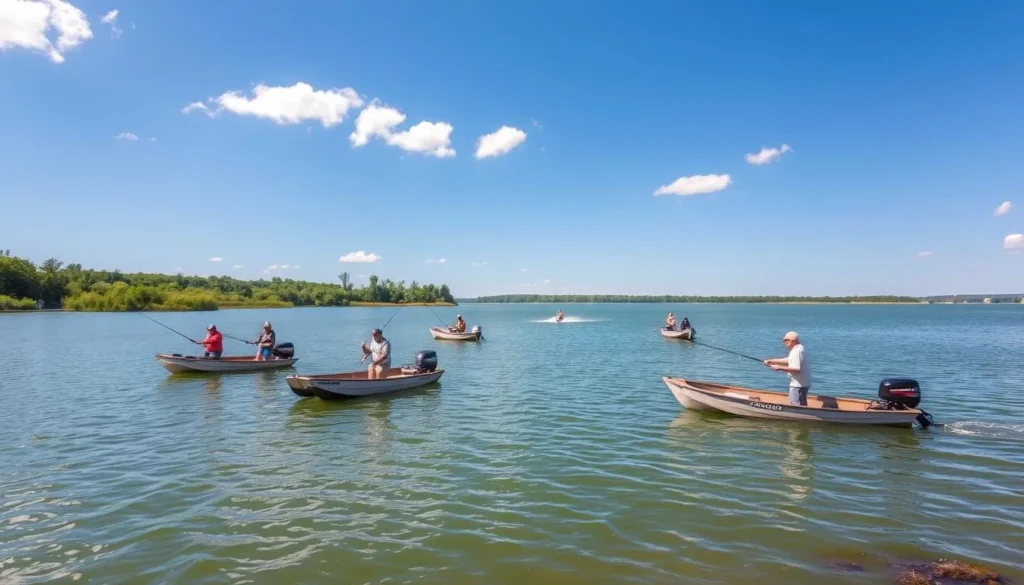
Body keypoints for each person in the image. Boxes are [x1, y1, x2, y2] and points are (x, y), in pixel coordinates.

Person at [764, 331, 811, 406]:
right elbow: (789, 360)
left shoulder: (797, 351)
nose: (784, 343)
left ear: (792, 341)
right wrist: (772, 361)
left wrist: (779, 367)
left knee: (796, 407)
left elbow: (796, 369)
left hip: (797, 385)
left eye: (785, 340)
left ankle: (798, 417)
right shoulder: (799, 348)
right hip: (802, 384)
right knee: (802, 406)